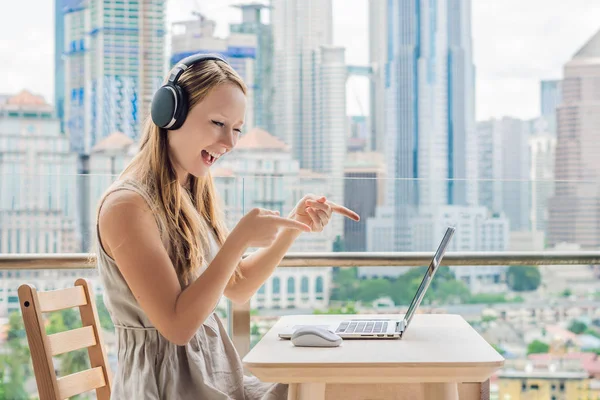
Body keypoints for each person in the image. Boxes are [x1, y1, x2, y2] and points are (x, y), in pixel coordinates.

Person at [95, 54, 360, 399]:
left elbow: (237, 286)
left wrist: (294, 226)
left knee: (333, 384)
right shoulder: (127, 206)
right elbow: (177, 327)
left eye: (236, 129)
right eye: (218, 123)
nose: (229, 143)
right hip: (167, 388)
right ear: (169, 114)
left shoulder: (188, 192)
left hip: (211, 380)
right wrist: (238, 241)